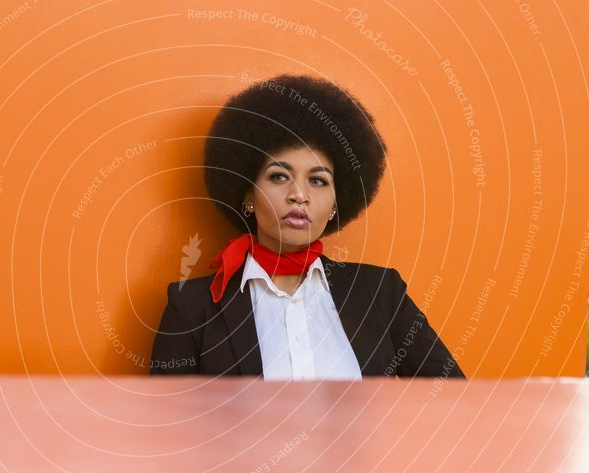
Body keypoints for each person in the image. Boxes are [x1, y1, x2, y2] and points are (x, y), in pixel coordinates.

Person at [150, 74, 464, 380]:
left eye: (317, 180)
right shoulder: (192, 307)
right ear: (247, 194)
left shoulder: (380, 293)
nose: (299, 195)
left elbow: (456, 401)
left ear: (335, 206)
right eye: (279, 176)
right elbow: (167, 424)